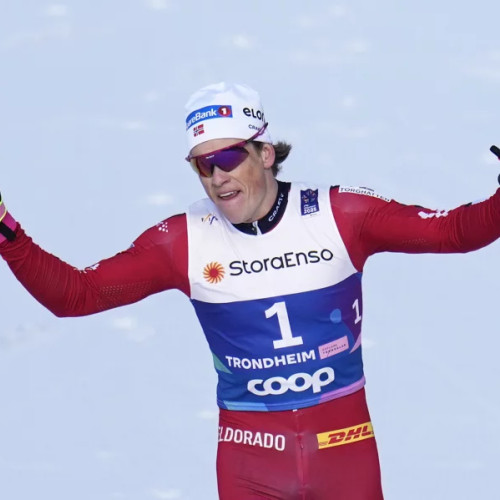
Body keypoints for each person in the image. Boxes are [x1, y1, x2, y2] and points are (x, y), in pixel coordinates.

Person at [1, 81, 500, 500]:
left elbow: (453, 232)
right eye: (203, 165)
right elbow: (76, 295)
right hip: (250, 464)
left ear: (265, 153)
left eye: (228, 157)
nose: (217, 177)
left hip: (344, 451)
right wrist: (6, 230)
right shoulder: (182, 241)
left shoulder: (339, 215)